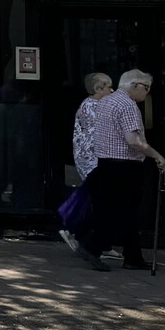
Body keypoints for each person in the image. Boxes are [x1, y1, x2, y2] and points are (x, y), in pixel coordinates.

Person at [73, 67, 165, 271]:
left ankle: (133, 257)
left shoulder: (106, 101)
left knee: (122, 211)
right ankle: (93, 247)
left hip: (106, 162)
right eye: (146, 87)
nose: (147, 92)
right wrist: (156, 155)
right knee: (122, 211)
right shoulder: (128, 105)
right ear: (135, 85)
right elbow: (134, 141)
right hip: (125, 165)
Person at [58, 72, 111, 252]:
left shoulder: (89, 105)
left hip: (90, 159)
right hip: (93, 160)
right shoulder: (93, 107)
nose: (112, 90)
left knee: (93, 197)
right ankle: (74, 229)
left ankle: (80, 233)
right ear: (98, 88)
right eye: (109, 87)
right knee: (96, 199)